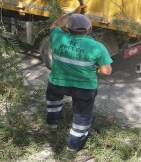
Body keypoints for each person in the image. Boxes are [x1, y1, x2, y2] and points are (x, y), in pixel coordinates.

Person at [45, 12, 112, 152]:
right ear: (89, 29)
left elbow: (55, 25)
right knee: (82, 116)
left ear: (68, 28)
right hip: (84, 88)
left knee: (53, 103)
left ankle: (52, 125)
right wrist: (95, 72)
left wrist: (70, 14)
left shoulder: (58, 37)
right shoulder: (97, 47)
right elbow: (106, 71)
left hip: (58, 84)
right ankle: (72, 147)